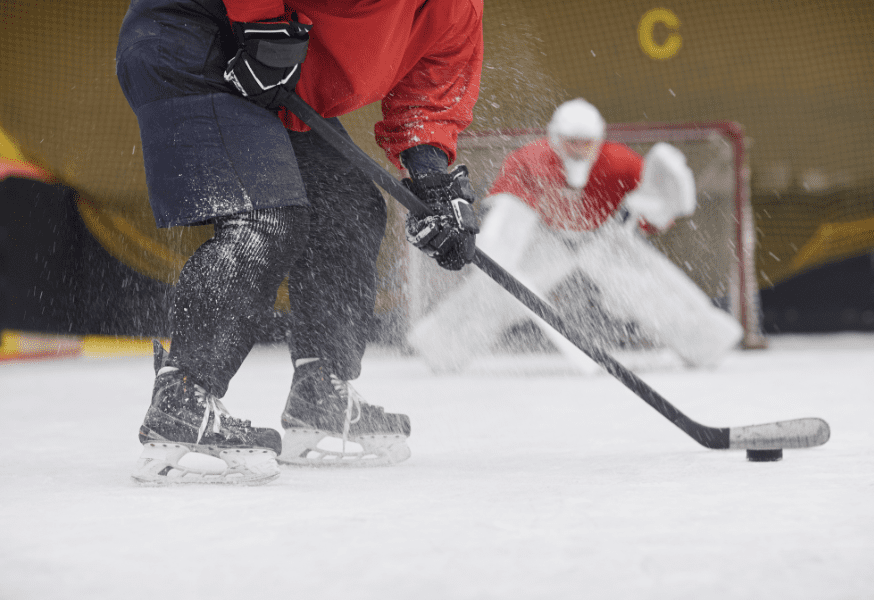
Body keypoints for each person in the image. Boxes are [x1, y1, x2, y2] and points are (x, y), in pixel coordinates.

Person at [116, 0, 483, 484]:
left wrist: (431, 182)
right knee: (264, 212)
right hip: (197, 32)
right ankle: (184, 397)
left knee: (347, 206)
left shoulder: (458, 9)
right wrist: (263, 22)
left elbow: (430, 92)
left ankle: (320, 391)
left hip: (276, 72)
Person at [408, 98, 743, 374]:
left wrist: (656, 209)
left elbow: (650, 217)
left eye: (588, 142)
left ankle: (705, 345)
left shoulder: (621, 162)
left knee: (653, 289)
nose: (581, 150)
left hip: (603, 239)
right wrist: (499, 253)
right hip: (545, 240)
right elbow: (507, 212)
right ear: (556, 137)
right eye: (573, 142)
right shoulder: (529, 160)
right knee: (493, 291)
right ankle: (441, 349)